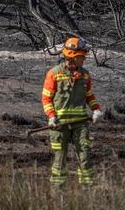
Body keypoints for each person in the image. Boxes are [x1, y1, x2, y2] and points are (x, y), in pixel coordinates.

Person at [40, 37, 103, 186]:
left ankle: (88, 190)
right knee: (60, 159)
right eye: (81, 56)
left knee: (84, 155)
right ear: (72, 57)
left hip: (80, 123)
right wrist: (51, 117)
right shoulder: (54, 74)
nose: (84, 59)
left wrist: (96, 110)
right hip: (59, 125)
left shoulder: (85, 75)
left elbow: (89, 96)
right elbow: (46, 99)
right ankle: (57, 191)